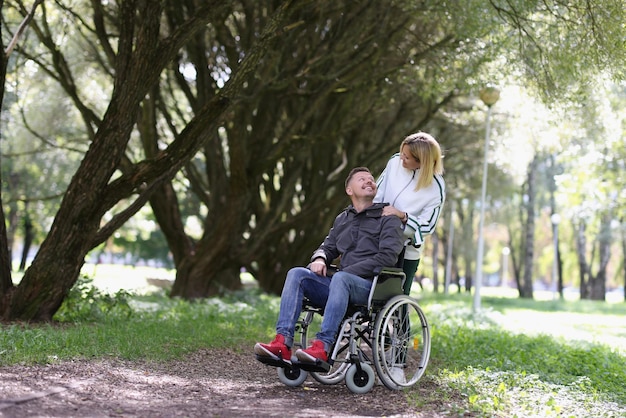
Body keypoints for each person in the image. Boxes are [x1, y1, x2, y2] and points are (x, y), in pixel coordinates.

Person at [254, 167, 405, 365]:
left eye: (371, 180)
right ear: (349, 190)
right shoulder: (343, 219)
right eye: (362, 179)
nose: (369, 181)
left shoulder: (388, 217)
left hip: (371, 288)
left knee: (341, 278)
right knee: (297, 274)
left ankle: (322, 347)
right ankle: (282, 343)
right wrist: (320, 259)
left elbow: (387, 257)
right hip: (339, 286)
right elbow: (327, 247)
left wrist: (347, 273)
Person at [374, 131, 446, 294]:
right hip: (377, 240)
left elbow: (427, 226)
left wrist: (403, 216)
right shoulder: (394, 162)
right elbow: (377, 194)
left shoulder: (436, 187)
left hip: (406, 251)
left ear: (422, 162)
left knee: (398, 299)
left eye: (407, 157)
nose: (401, 159)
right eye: (402, 153)